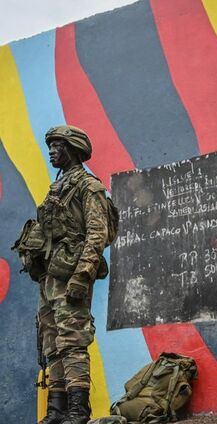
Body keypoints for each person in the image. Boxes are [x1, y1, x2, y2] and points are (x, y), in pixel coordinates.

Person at [14, 125, 115, 424]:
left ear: (72, 149)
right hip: (50, 277)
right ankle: (56, 411)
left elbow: (97, 234)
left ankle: (78, 411)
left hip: (71, 275)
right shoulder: (57, 187)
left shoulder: (88, 186)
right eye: (50, 146)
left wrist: (82, 276)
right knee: (52, 343)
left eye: (57, 146)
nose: (51, 151)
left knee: (72, 340)